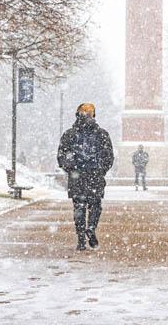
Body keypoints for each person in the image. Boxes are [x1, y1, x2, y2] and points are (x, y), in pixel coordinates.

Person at [57, 102, 115, 251]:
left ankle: (81, 238)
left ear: (77, 115)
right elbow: (109, 156)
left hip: (77, 176)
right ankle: (91, 227)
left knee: (79, 206)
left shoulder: (69, 134)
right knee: (95, 205)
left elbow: (61, 155)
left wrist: (71, 169)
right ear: (93, 116)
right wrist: (101, 170)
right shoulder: (102, 134)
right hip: (95, 175)